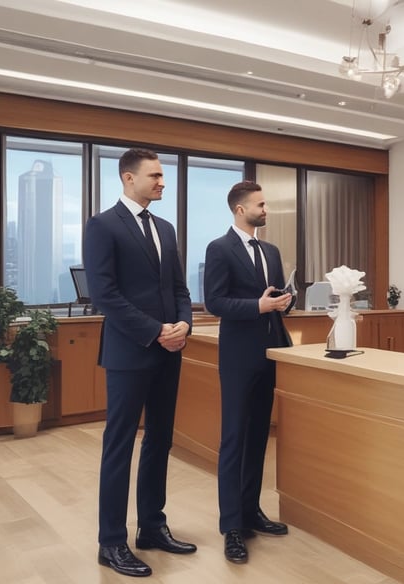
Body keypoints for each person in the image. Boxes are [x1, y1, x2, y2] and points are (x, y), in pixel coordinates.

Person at [84, 148, 196, 578]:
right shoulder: (103, 225)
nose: (162, 182)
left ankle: (152, 526)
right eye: (155, 176)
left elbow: (181, 289)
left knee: (160, 441)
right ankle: (110, 542)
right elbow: (104, 295)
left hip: (170, 352)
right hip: (131, 352)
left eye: (163, 176)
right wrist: (155, 331)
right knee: (120, 446)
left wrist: (183, 325)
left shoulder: (165, 229)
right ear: (129, 179)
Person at [203, 180, 294, 564]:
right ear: (241, 209)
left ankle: (252, 511)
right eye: (260, 204)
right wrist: (257, 307)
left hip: (270, 351)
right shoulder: (219, 249)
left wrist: (283, 303)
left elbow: (270, 300)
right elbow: (215, 302)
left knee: (259, 436)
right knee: (234, 439)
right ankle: (232, 527)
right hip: (239, 355)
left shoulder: (271, 251)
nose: (266, 209)